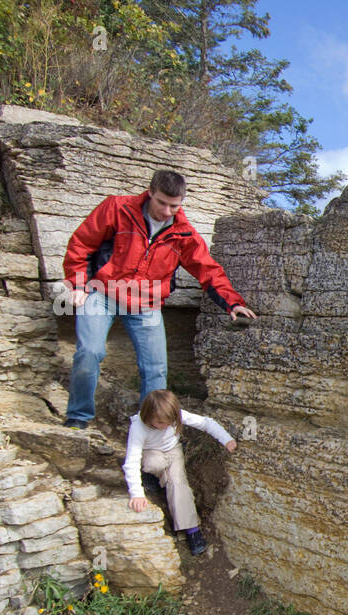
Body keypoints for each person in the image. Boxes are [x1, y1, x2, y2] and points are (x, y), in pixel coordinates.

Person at [60, 169, 258, 429]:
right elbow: (81, 243)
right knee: (89, 352)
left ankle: (150, 430)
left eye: (174, 206)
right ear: (150, 192)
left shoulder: (183, 233)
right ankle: (78, 417)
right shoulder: (117, 208)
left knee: (155, 371)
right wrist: (77, 284)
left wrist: (232, 302)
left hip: (146, 304)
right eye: (162, 203)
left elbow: (208, 269)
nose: (167, 211)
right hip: (103, 292)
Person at [124, 388, 236, 556]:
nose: (167, 426)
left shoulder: (175, 415)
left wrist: (226, 439)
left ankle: (192, 530)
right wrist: (137, 494)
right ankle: (151, 475)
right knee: (154, 463)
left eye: (170, 422)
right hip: (151, 453)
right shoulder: (138, 426)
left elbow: (206, 423)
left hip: (173, 452)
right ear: (148, 416)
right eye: (160, 423)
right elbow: (131, 461)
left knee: (178, 484)